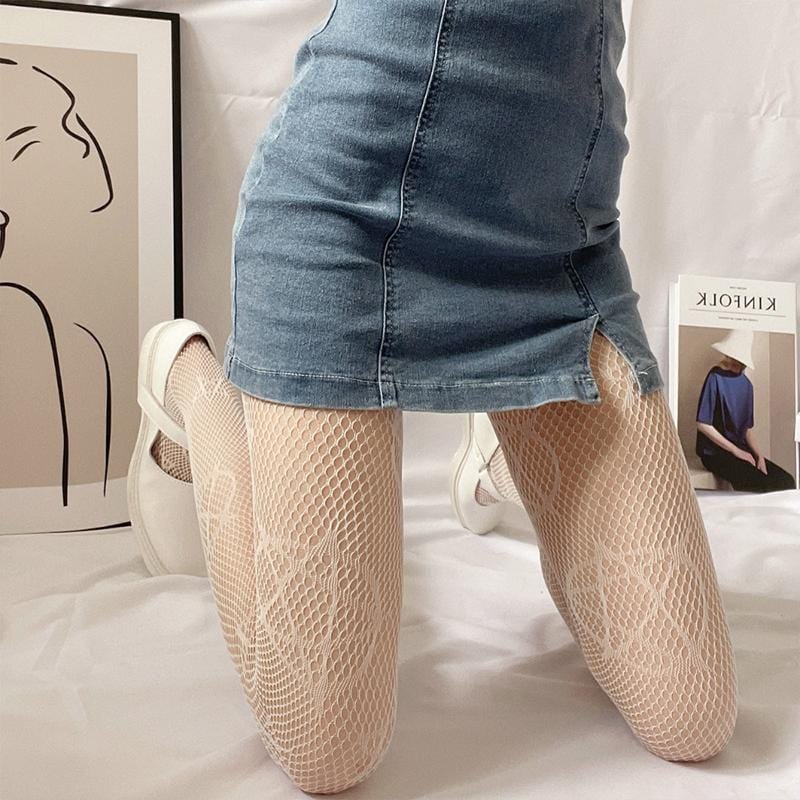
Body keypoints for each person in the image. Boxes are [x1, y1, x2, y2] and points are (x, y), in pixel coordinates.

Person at [128, 1, 738, 793]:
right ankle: (185, 377)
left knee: (692, 717)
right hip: (347, 215)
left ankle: (500, 442)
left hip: (556, 241)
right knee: (327, 749)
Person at [696, 328, 796, 493]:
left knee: (786, 481)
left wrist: (759, 456)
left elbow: (746, 429)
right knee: (760, 484)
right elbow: (702, 424)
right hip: (714, 453)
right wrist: (737, 452)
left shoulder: (747, 385)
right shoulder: (715, 377)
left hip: (741, 450)